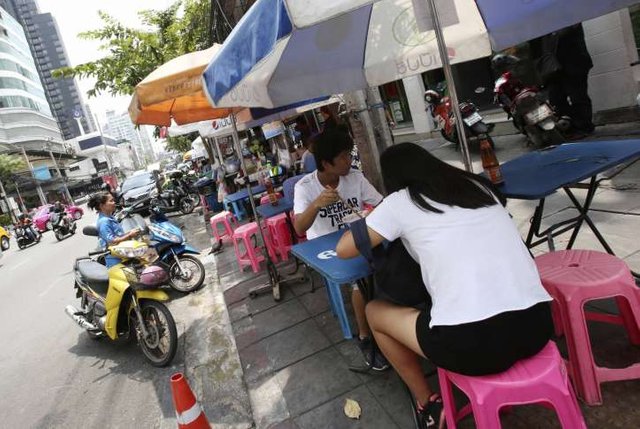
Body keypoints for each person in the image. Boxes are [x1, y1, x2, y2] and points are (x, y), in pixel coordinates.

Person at [335, 143, 553, 428]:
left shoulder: (401, 202)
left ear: (392, 180)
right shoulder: (478, 187)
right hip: (537, 326)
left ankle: (428, 403)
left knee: (375, 311)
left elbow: (344, 249)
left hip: (474, 347)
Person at [293, 128, 390, 371]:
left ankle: (388, 319)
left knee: (390, 259)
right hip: (327, 248)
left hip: (357, 237)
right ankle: (365, 336)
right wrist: (317, 204)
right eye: (344, 157)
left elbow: (380, 204)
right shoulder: (305, 187)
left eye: (350, 154)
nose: (350, 161)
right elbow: (299, 228)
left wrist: (370, 214)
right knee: (361, 280)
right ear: (326, 163)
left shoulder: (355, 177)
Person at [534, 24, 595, 137]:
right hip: (553, 68)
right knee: (556, 98)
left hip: (573, 65)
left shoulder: (567, 19)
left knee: (578, 96)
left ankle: (584, 127)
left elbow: (565, 33)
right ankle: (570, 124)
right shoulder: (543, 27)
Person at [88, 192, 140, 267]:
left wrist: (130, 233)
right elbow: (112, 242)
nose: (114, 203)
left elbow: (118, 235)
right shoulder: (104, 221)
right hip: (116, 262)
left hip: (124, 254)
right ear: (102, 206)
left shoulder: (111, 217)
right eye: (111, 201)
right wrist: (129, 235)